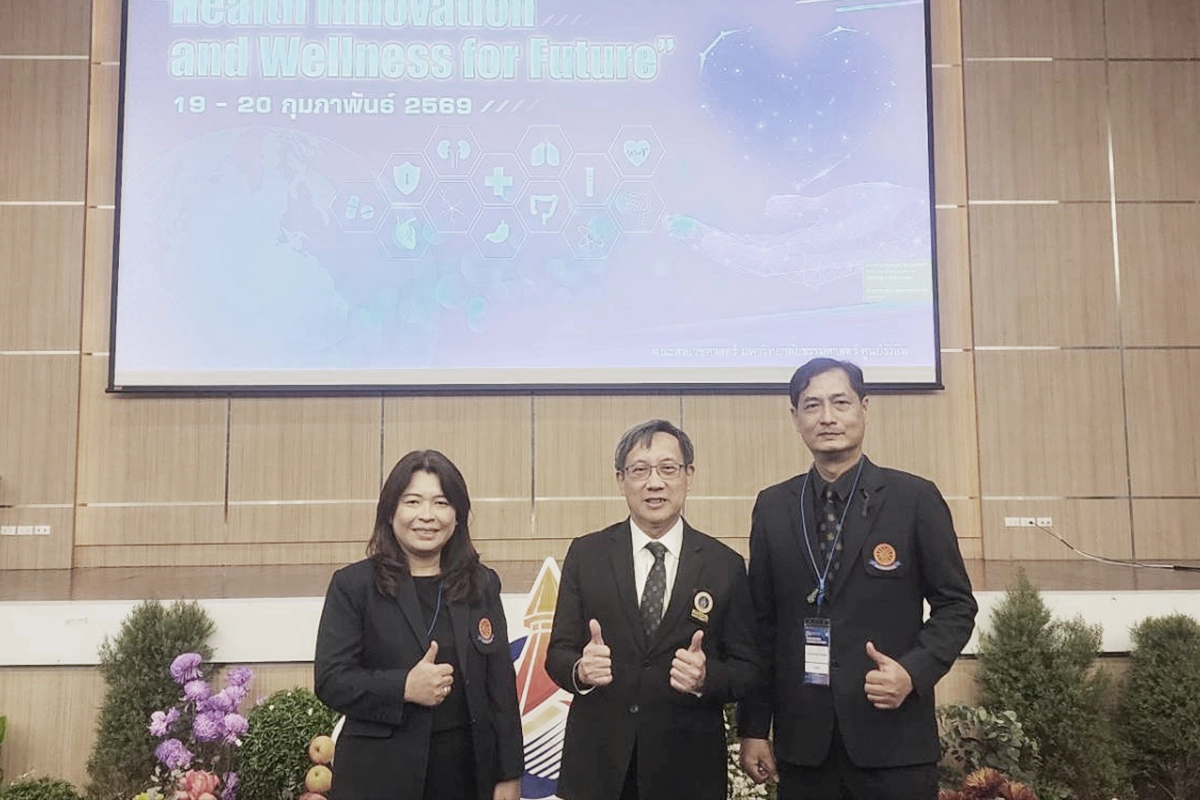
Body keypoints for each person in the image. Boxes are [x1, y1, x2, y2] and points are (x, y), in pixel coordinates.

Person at [738, 359, 977, 800]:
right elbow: (762, 626)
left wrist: (912, 672)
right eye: (812, 405)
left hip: (892, 742)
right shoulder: (773, 507)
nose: (827, 417)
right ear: (795, 417)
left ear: (864, 408)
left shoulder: (914, 499)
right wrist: (754, 727)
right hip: (805, 748)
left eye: (840, 403)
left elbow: (957, 606)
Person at [546, 419, 760, 800]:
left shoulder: (724, 564)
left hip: (687, 771)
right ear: (621, 479)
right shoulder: (586, 554)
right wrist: (580, 669)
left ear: (689, 475)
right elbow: (557, 653)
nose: (654, 482)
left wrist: (706, 678)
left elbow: (747, 669)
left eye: (668, 468)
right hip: (599, 769)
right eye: (640, 470)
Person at [314, 450, 523, 800]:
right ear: (390, 511)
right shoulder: (354, 586)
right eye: (413, 501)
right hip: (378, 777)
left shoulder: (481, 584)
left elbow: (500, 685)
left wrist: (509, 773)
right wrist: (403, 687)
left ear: (457, 515)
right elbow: (331, 679)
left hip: (466, 774)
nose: (427, 515)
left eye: (441, 503)